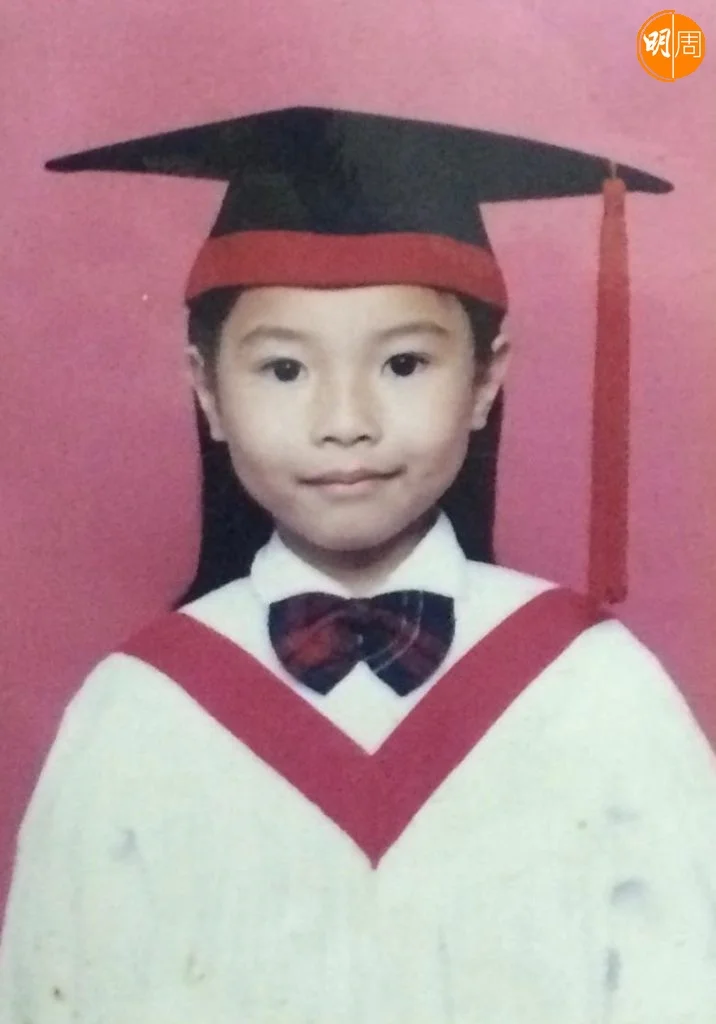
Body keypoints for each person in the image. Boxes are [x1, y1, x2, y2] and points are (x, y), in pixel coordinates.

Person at [1, 107, 715, 1024]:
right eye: (285, 371)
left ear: (486, 378)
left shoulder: (595, 686)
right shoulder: (137, 708)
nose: (346, 421)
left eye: (405, 364)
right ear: (207, 388)